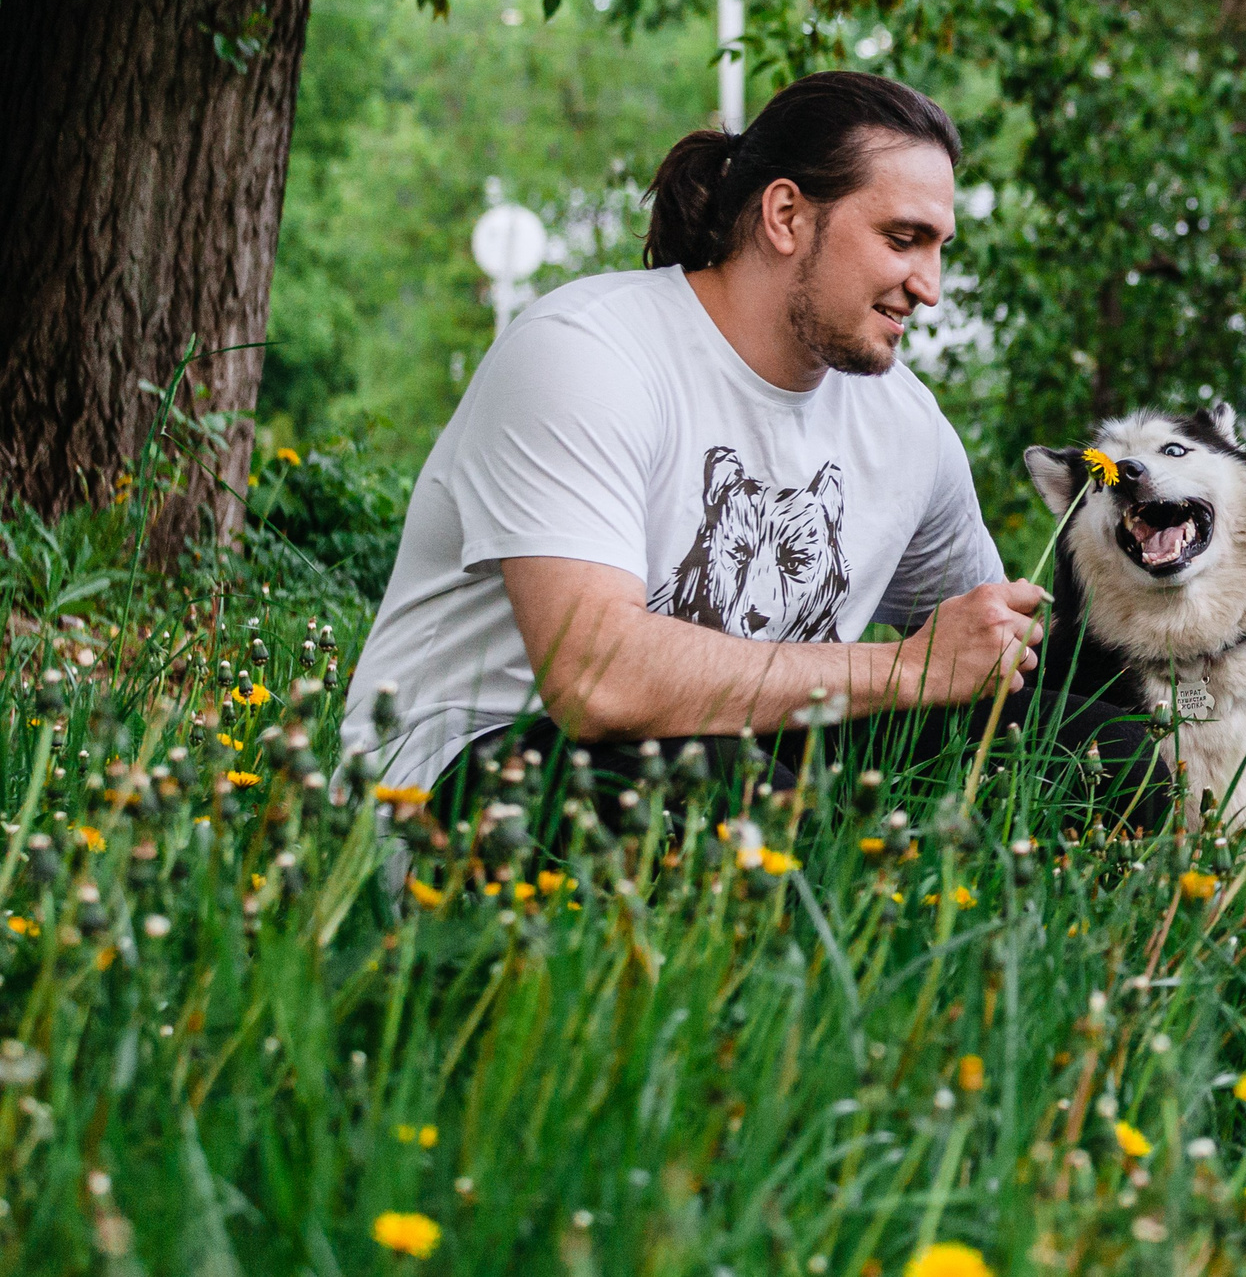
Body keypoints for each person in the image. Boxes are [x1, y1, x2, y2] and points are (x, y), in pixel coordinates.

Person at [338, 71, 1047, 804]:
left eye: (939, 249)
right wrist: (903, 671)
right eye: (903, 240)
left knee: (1077, 731)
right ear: (785, 216)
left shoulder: (905, 423)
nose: (928, 285)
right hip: (475, 771)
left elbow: (986, 652)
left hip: (758, 760)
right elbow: (596, 682)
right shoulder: (585, 352)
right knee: (715, 779)